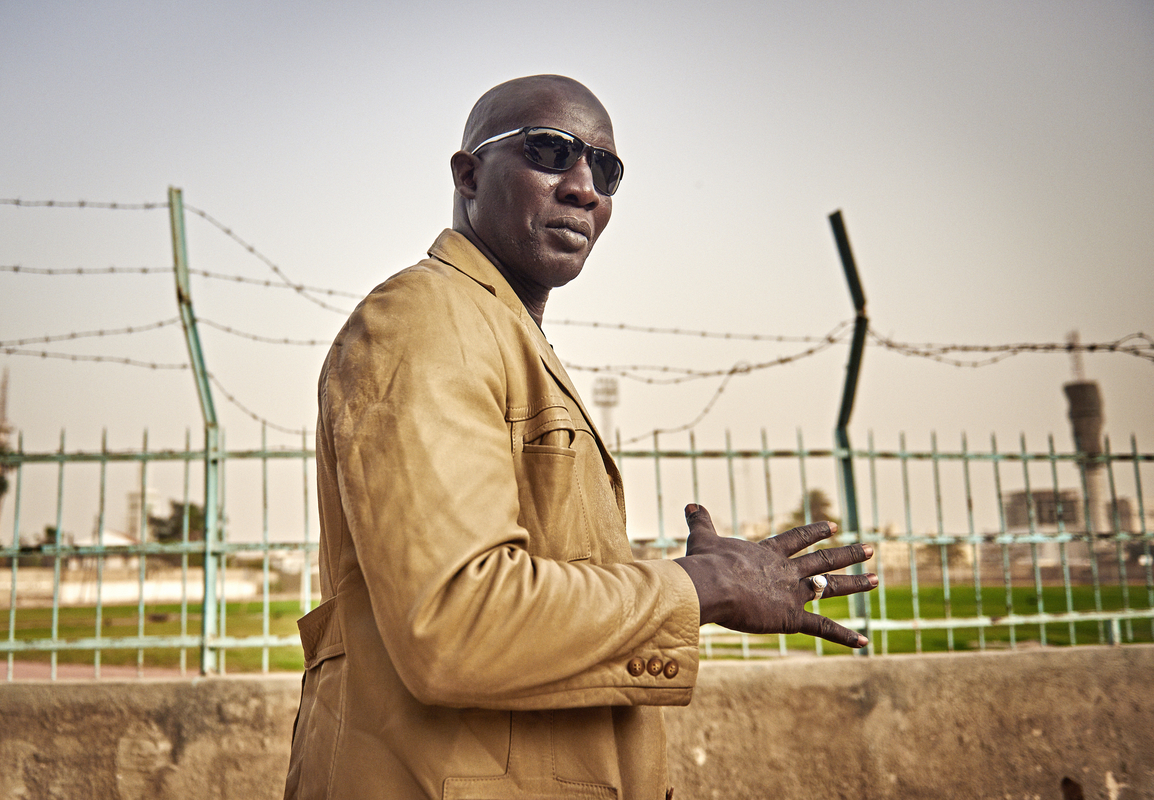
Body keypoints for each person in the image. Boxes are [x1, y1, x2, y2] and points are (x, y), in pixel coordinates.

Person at [283, 74, 877, 800]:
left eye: (605, 169)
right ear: (468, 174)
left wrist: (677, 584)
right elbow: (454, 620)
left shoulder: (501, 333)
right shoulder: (426, 321)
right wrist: (703, 589)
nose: (583, 187)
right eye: (549, 151)